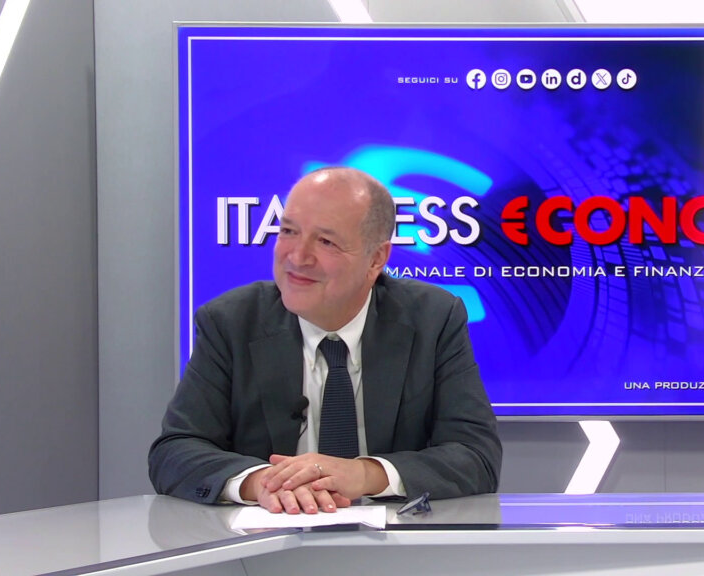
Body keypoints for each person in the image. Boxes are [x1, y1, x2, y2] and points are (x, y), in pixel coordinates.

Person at [149, 167, 502, 514]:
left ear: (376, 259)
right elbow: (174, 452)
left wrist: (364, 474)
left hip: (396, 545)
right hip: (266, 543)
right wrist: (263, 482)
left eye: (326, 242)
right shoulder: (231, 322)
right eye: (288, 231)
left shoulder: (433, 319)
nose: (297, 257)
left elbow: (476, 456)